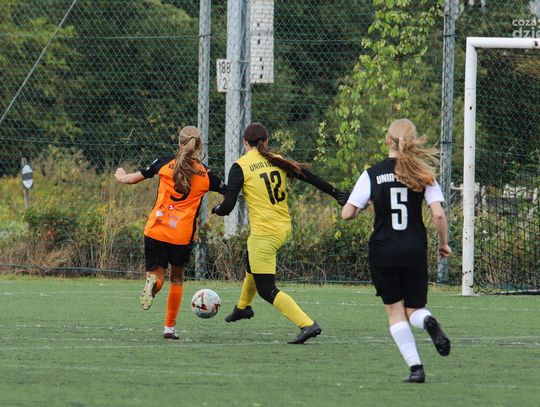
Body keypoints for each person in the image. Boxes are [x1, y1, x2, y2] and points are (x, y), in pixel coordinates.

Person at [212, 122, 349, 344]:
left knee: (267, 289)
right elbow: (311, 177)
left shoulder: (241, 166)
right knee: (251, 261)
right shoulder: (277, 159)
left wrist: (217, 209)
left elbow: (228, 206)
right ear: (266, 142)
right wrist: (337, 194)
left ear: (245, 143)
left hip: (265, 235)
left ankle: (307, 324)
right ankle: (243, 307)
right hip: (282, 228)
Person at [342, 118, 451, 383]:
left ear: (387, 140)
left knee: (394, 311)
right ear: (412, 142)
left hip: (383, 249)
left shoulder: (372, 174)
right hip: (414, 248)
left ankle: (416, 368)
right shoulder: (423, 174)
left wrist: (363, 205)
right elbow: (438, 215)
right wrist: (443, 244)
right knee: (414, 309)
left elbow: (347, 214)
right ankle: (427, 321)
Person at [114, 126, 226, 340]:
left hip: (156, 229)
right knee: (176, 279)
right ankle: (169, 328)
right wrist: (224, 205)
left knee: (157, 276)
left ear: (179, 143)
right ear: (199, 146)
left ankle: (153, 285)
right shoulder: (206, 175)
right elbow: (229, 191)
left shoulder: (164, 163)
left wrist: (120, 176)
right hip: (181, 236)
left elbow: (134, 178)